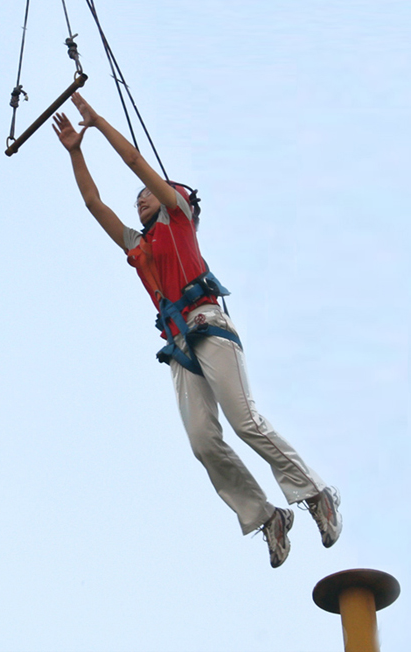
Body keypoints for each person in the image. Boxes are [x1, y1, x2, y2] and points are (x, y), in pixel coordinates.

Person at [52, 93, 342, 567]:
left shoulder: (178, 218)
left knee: (244, 420)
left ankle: (314, 492)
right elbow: (92, 203)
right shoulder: (138, 244)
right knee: (203, 442)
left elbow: (134, 162)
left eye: (149, 192)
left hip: (207, 323)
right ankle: (265, 515)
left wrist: (98, 124)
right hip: (180, 344)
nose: (140, 197)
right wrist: (75, 151)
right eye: (139, 196)